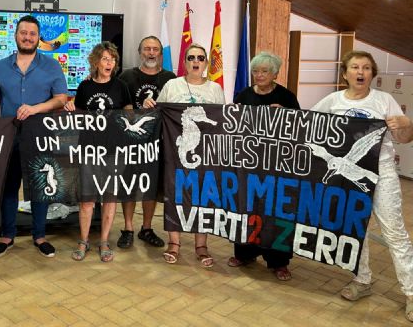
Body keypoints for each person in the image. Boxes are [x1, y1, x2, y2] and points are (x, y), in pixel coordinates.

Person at [311, 50, 413, 321]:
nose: (360, 72)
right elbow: (306, 125)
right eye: (355, 67)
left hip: (383, 172)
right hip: (348, 177)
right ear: (345, 73)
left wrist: (406, 124)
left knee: (395, 232)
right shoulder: (332, 100)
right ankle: (363, 279)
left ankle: (412, 292)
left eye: (366, 67)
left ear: (371, 73)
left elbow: (405, 138)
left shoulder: (384, 100)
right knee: (357, 228)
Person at [0, 15, 68, 258]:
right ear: (16, 35)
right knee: (8, 187)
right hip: (8, 137)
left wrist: (35, 108)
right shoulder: (0, 66)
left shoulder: (51, 66)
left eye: (32, 34)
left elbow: (61, 99)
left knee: (40, 187)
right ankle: (7, 236)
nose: (28, 37)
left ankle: (40, 235)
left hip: (41, 136)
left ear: (38, 37)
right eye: (23, 32)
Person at [226, 52, 300, 281]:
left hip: (277, 166)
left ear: (275, 74)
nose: (258, 75)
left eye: (264, 71)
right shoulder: (243, 95)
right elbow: (231, 125)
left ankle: (278, 262)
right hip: (248, 165)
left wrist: (285, 116)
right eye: (255, 71)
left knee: (275, 212)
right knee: (247, 208)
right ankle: (245, 254)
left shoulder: (287, 97)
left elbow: (300, 129)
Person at [155, 43, 225, 267]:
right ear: (184, 62)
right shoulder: (172, 85)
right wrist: (150, 104)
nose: (196, 61)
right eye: (191, 57)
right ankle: (174, 243)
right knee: (175, 194)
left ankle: (201, 245)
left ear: (205, 63)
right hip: (175, 152)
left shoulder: (215, 89)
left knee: (202, 195)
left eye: (200, 58)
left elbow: (221, 122)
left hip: (206, 153)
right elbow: (159, 113)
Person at [65, 41, 132, 262]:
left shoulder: (121, 86)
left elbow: (130, 115)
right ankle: (83, 241)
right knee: (87, 199)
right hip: (89, 150)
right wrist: (70, 106)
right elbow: (78, 113)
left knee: (110, 198)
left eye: (112, 59)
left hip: (114, 151)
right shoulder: (85, 87)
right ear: (96, 62)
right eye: (105, 58)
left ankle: (104, 241)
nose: (109, 62)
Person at [115, 36, 175, 249]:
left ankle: (146, 228)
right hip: (129, 141)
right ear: (140, 52)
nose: (151, 53)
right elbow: (117, 105)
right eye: (147, 49)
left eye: (155, 49)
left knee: (151, 185)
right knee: (129, 185)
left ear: (160, 53)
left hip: (158, 142)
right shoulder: (126, 76)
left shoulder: (171, 78)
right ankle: (128, 228)